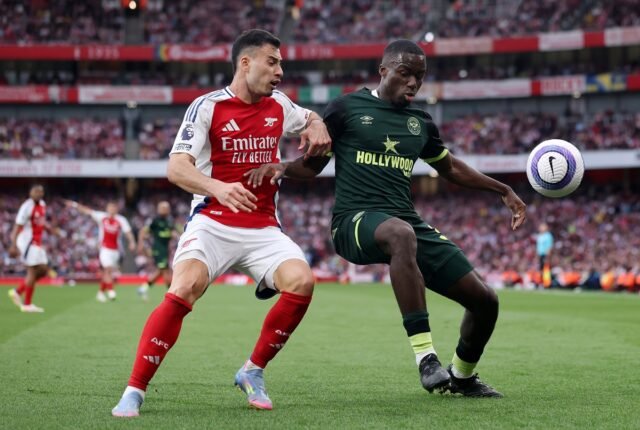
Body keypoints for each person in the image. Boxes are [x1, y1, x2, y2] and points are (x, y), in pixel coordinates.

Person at [246, 39, 527, 398]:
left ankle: (462, 376)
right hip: (352, 221)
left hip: (404, 221)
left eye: (420, 77)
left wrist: (502, 189)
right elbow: (313, 165)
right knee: (400, 234)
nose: (413, 83)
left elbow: (451, 168)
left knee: (485, 301)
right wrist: (284, 167)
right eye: (406, 73)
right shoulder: (346, 109)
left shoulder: (420, 123)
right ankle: (426, 358)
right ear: (384, 70)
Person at [111, 29, 331, 417]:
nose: (280, 72)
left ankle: (252, 371)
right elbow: (176, 168)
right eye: (272, 62)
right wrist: (219, 187)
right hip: (212, 220)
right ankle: (135, 389)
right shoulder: (207, 107)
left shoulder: (280, 104)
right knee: (184, 287)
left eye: (281, 64)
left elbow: (308, 117)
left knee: (302, 281)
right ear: (245, 63)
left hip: (262, 227)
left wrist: (317, 123)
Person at [64, 199, 136, 302]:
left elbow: (128, 232)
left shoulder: (121, 220)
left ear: (116, 209)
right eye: (110, 207)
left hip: (115, 250)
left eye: (114, 208)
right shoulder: (102, 217)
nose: (112, 210)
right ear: (107, 208)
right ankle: (111, 290)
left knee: (108, 272)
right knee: (107, 269)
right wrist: (74, 205)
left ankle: (100, 293)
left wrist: (132, 242)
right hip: (104, 249)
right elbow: (87, 211)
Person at [7, 184, 49, 313]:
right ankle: (27, 304)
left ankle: (18, 291)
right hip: (27, 242)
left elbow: (40, 222)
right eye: (35, 191)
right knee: (33, 271)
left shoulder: (42, 204)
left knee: (43, 270)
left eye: (40, 192)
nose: (38, 194)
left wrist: (51, 229)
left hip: (37, 242)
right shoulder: (26, 207)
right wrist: (13, 245)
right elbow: (17, 226)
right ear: (30, 193)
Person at [136, 201, 180, 301]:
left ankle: (143, 288)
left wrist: (177, 236)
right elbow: (143, 231)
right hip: (158, 249)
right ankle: (172, 294)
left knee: (160, 271)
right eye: (163, 208)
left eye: (166, 208)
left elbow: (173, 232)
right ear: (158, 209)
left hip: (166, 249)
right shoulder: (154, 220)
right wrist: (141, 244)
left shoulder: (169, 221)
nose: (165, 210)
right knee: (165, 271)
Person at [536, 223, 553, 288]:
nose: (541, 228)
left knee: (546, 269)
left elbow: (549, 246)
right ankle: (541, 282)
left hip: (545, 254)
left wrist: (547, 256)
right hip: (540, 254)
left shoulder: (548, 236)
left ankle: (546, 284)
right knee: (541, 269)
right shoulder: (540, 236)